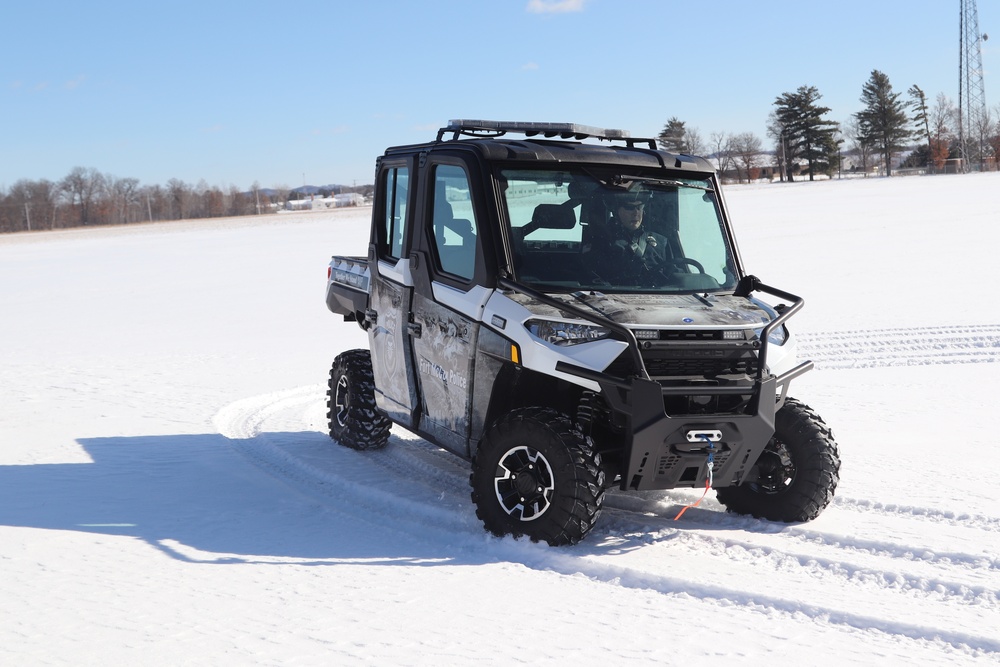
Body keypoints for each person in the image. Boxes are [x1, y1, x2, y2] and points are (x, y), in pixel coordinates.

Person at [587, 191, 671, 283]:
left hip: (657, 296)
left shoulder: (661, 242)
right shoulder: (602, 241)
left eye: (639, 208)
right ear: (616, 211)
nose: (636, 213)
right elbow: (592, 280)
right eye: (629, 208)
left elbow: (675, 276)